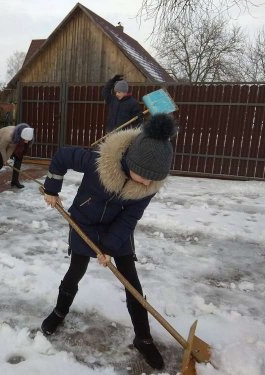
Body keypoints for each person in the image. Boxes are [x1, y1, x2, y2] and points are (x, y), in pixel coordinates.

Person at [41, 113, 178, 370]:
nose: (148, 183)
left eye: (154, 179)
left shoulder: (149, 185)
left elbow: (130, 218)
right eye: (144, 175)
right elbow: (61, 156)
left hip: (118, 227)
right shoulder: (97, 162)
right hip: (85, 222)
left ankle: (143, 337)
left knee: (131, 281)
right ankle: (59, 312)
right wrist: (52, 188)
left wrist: (109, 248)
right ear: (131, 161)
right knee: (75, 272)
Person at [0, 123, 34, 189]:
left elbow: (11, 148)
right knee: (0, 164)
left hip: (9, 144)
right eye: (25, 139)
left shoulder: (22, 134)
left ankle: (14, 181)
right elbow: (2, 147)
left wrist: (6, 159)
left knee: (18, 159)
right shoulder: (9, 135)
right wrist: (4, 160)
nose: (26, 142)